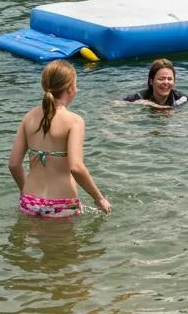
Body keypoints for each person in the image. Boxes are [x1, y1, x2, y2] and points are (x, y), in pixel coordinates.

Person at [7, 60, 111, 218]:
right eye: (76, 84)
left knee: (38, 243)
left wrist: (25, 191)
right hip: (62, 203)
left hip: (30, 201)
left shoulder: (28, 117)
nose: (77, 88)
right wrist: (99, 198)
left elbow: (14, 164)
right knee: (65, 243)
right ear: (70, 88)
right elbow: (76, 167)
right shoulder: (74, 121)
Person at [122, 58, 188, 108]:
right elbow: (117, 104)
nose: (166, 82)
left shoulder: (181, 99)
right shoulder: (139, 97)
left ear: (174, 82)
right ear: (151, 81)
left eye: (169, 79)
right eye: (161, 79)